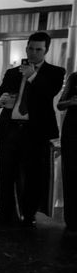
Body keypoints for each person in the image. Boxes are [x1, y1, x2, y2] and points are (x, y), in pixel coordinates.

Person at [0, 32, 65, 227]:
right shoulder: (12, 72)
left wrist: (32, 76)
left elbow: (49, 93)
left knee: (33, 175)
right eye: (31, 48)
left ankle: (28, 214)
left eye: (38, 49)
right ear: (26, 48)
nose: (33, 53)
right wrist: (1, 100)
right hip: (10, 130)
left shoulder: (56, 72)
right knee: (6, 174)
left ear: (46, 51)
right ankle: (5, 214)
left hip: (36, 133)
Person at [57, 71, 77, 236]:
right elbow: (60, 104)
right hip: (73, 133)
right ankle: (71, 220)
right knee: (71, 175)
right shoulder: (74, 77)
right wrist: (72, 101)